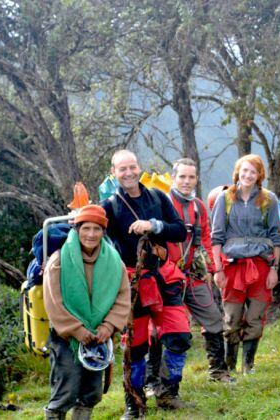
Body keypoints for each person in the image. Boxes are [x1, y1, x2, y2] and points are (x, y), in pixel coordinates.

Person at [100, 150, 189, 417]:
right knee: (135, 348)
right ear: (113, 172)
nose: (128, 173)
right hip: (132, 284)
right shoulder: (109, 206)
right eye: (122, 169)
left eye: (132, 167)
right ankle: (135, 405)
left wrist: (152, 225)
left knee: (179, 338)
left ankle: (167, 392)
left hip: (164, 276)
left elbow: (180, 230)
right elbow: (86, 235)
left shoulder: (158, 197)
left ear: (139, 168)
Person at [145, 158, 233, 385]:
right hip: (165, 277)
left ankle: (218, 372)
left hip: (192, 274)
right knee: (157, 329)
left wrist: (210, 269)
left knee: (213, 318)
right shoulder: (162, 203)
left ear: (196, 179)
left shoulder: (198, 207)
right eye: (182, 176)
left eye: (191, 177)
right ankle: (153, 381)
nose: (186, 181)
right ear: (173, 178)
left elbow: (204, 238)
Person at [43, 205, 130, 420]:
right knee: (66, 389)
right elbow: (53, 302)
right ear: (77, 229)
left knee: (91, 391)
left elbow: (122, 297)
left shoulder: (114, 262)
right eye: (86, 228)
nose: (91, 234)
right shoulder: (59, 261)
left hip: (99, 338)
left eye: (97, 229)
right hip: (67, 339)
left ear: (103, 232)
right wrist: (77, 330)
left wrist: (108, 326)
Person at [211, 154, 280, 374]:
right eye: (245, 171)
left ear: (259, 175)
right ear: (238, 172)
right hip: (232, 267)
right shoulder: (225, 199)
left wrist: (274, 269)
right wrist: (218, 269)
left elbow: (277, 236)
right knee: (231, 318)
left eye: (253, 171)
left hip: (261, 266)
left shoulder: (269, 200)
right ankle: (230, 367)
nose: (248, 175)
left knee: (255, 317)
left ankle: (248, 366)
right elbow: (216, 237)